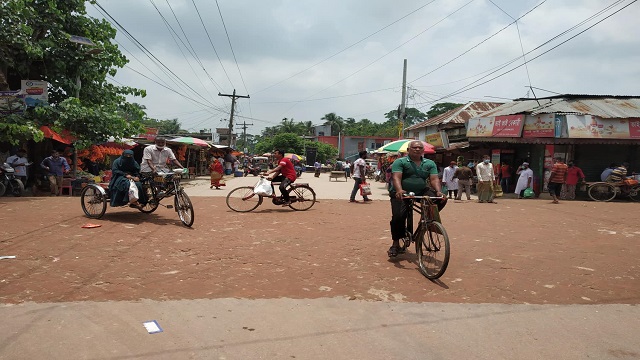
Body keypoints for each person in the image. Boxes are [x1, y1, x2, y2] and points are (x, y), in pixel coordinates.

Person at [388, 140, 446, 257]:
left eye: (420, 148)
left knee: (441, 198)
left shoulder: (429, 163)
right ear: (408, 150)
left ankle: (425, 217)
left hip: (420, 191)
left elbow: (434, 179)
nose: (417, 149)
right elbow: (396, 177)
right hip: (401, 193)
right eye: (414, 148)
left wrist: (439, 191)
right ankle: (395, 243)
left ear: (423, 150)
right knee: (398, 217)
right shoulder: (400, 162)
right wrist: (399, 190)